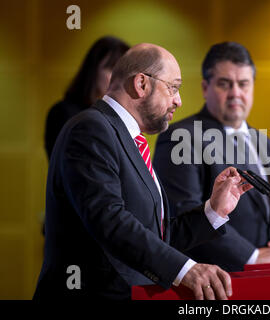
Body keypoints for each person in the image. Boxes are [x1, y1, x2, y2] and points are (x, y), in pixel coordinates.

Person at [34, 43, 252, 300]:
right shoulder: (90, 129)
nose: (178, 100)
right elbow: (110, 221)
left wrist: (213, 211)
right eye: (173, 88)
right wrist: (186, 270)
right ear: (141, 84)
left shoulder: (130, 139)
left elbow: (156, 236)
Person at [153, 41, 270, 272]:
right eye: (225, 84)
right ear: (205, 88)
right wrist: (252, 257)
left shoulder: (268, 144)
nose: (236, 93)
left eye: (243, 84)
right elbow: (184, 214)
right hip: (218, 282)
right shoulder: (181, 137)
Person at [44, 36, 130, 159]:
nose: (119, 79)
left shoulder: (120, 117)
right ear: (93, 70)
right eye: (112, 69)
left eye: (124, 72)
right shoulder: (63, 113)